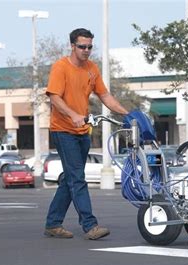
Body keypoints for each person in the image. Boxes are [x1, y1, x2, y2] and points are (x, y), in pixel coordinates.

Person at [44, 28, 129, 240]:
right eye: (82, 46)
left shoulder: (92, 68)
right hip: (63, 131)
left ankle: (53, 223)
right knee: (77, 178)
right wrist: (72, 114)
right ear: (72, 46)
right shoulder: (60, 67)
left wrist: (128, 114)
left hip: (83, 131)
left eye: (90, 46)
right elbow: (55, 97)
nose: (86, 50)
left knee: (70, 179)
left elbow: (105, 95)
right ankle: (90, 226)